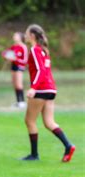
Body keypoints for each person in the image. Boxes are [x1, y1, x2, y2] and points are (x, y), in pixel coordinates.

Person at [22, 24, 75, 162]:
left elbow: (40, 70)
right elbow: (42, 70)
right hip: (50, 89)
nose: (25, 35)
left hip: (41, 89)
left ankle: (34, 155)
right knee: (49, 122)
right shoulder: (43, 50)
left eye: (27, 33)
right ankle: (68, 145)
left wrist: (33, 87)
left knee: (29, 120)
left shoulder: (34, 50)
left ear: (32, 36)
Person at [3, 32, 28, 108]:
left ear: (20, 37)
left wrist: (15, 59)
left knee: (19, 84)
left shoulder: (23, 47)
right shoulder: (13, 47)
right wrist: (6, 56)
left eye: (16, 36)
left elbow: (25, 60)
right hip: (13, 66)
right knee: (15, 85)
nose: (14, 37)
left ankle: (22, 102)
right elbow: (5, 53)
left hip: (19, 66)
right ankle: (18, 102)